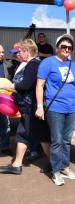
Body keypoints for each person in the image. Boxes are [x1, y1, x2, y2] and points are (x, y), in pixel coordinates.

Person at [35, 34, 75, 186]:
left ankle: (65, 167)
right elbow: (39, 85)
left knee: (67, 140)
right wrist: (40, 107)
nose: (67, 49)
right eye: (64, 46)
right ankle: (56, 172)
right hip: (55, 108)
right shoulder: (48, 63)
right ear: (57, 47)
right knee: (57, 141)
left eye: (69, 47)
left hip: (71, 108)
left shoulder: (74, 65)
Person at [0, 39, 50, 175]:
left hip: (31, 108)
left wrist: (7, 86)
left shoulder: (33, 64)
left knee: (38, 136)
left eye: (20, 51)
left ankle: (53, 163)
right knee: (31, 136)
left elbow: (25, 85)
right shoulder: (35, 63)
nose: (18, 54)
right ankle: (17, 164)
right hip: (31, 108)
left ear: (27, 52)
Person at [0, 44, 15, 155]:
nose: (2, 54)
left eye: (3, 52)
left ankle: (5, 146)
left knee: (6, 124)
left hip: (4, 100)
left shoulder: (7, 65)